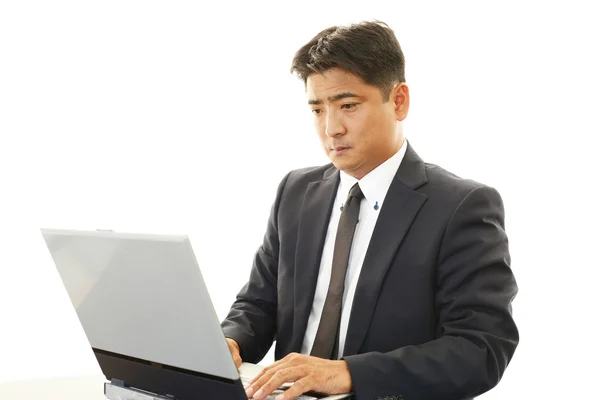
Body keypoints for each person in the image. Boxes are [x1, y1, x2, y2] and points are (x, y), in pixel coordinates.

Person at [221, 20, 518, 400]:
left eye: (347, 106)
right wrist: (231, 341)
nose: (331, 129)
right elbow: (259, 302)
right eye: (317, 110)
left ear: (399, 101)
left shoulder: (461, 207)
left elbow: (480, 351)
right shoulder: (296, 192)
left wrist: (348, 373)